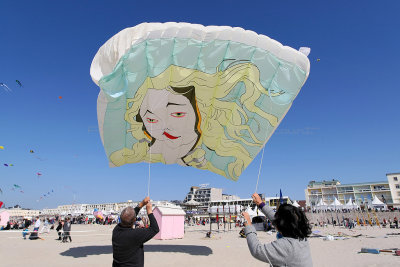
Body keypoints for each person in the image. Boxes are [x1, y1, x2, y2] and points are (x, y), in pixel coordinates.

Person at [242, 193, 313, 267]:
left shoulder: (287, 246)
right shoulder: (301, 236)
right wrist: (260, 204)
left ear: (281, 224)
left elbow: (257, 251)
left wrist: (248, 225)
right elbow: (277, 219)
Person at [112, 197, 159, 267]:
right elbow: (155, 229)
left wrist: (141, 204)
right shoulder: (135, 234)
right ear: (134, 220)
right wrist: (149, 211)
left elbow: (129, 216)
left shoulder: (116, 230)